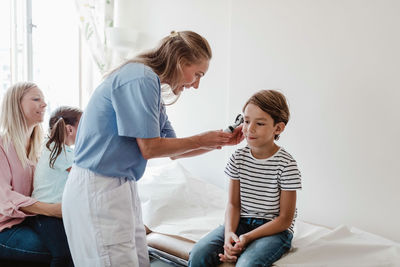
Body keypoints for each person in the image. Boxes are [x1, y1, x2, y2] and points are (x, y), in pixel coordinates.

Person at [62, 30, 243, 267]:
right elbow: (149, 148)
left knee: (136, 260)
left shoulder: (151, 88)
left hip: (120, 187)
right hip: (98, 186)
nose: (196, 85)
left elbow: (173, 151)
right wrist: (201, 139)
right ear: (180, 62)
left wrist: (219, 141)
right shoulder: (141, 77)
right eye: (197, 74)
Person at [188, 90, 302, 267]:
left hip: (274, 230)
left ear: (278, 128)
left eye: (260, 123)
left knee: (246, 264)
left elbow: (285, 219)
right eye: (247, 121)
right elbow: (233, 204)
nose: (250, 129)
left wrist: (247, 238)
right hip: (241, 223)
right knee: (198, 254)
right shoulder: (238, 158)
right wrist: (229, 235)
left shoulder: (286, 165)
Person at [0, 82, 61, 265]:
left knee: (76, 241)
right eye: (36, 99)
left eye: (44, 100)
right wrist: (52, 210)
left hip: (32, 220)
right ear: (16, 105)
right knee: (59, 250)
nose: (44, 104)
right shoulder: (2, 146)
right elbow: (4, 197)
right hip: (6, 227)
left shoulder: (41, 147)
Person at [31, 106, 82, 267]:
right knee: (63, 254)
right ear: (69, 129)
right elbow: (84, 175)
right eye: (84, 126)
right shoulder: (61, 152)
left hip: (52, 212)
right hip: (46, 215)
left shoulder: (51, 147)